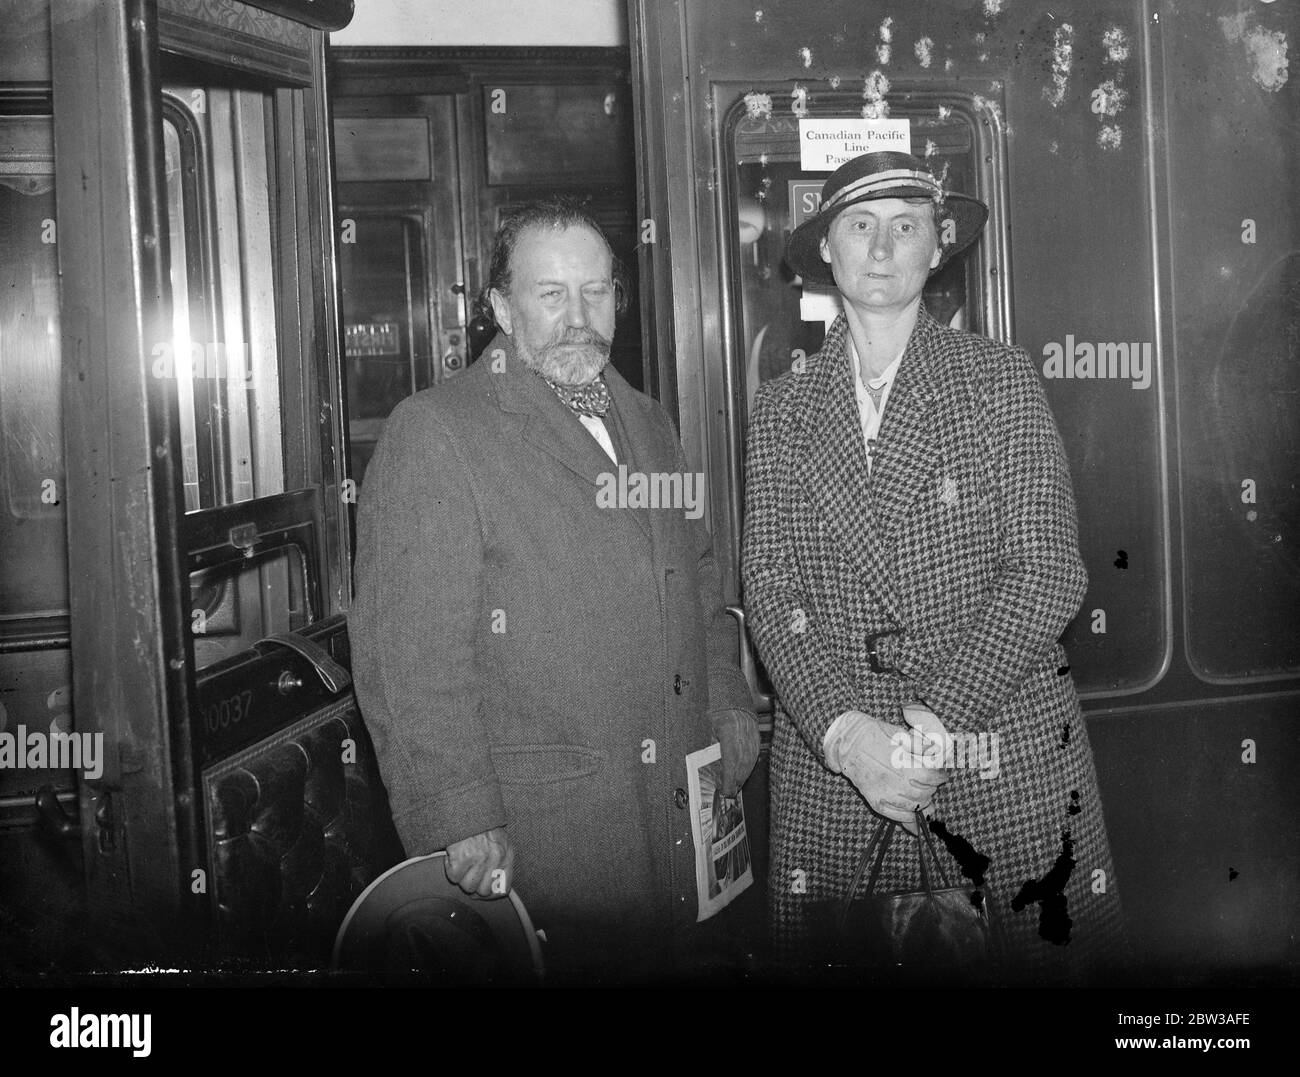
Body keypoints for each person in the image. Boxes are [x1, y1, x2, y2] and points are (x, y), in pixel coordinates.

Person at [349, 197, 760, 981]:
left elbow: (702, 587)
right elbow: (410, 656)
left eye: (597, 291)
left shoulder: (652, 423)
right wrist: (460, 817)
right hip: (551, 840)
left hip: (682, 822)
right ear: (502, 307)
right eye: (551, 293)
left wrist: (731, 713)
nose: (580, 317)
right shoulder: (436, 430)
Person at [741, 151, 1125, 981]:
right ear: (827, 254)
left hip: (996, 755)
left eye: (905, 225)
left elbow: (1049, 569)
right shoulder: (781, 410)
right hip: (840, 771)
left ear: (936, 250)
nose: (882, 247)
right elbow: (769, 589)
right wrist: (849, 737)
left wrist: (930, 726)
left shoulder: (1002, 381)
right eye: (860, 225)